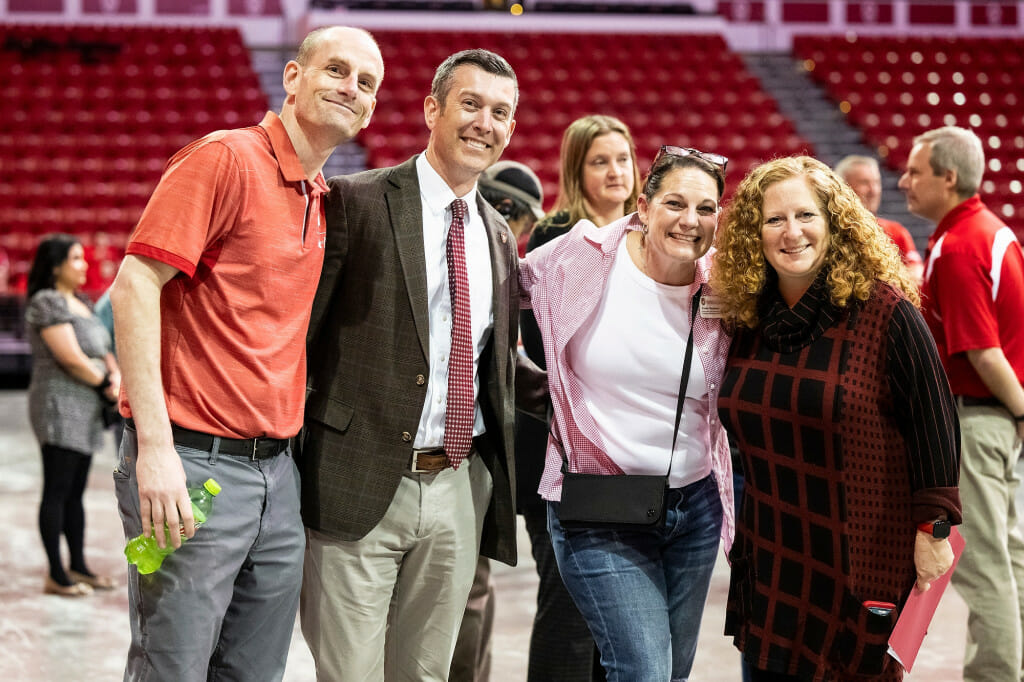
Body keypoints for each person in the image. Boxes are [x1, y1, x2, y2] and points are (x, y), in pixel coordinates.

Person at [108, 26, 384, 681]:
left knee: (256, 671)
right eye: (337, 70)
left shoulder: (318, 196)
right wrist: (155, 449)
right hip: (193, 464)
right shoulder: (227, 159)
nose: (352, 88)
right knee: (172, 665)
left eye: (367, 83)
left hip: (277, 475)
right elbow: (134, 286)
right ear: (292, 76)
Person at [299, 49, 525, 681]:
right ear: (432, 109)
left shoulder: (498, 235)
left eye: (501, 112)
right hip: (359, 477)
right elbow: (302, 335)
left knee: (425, 675)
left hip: (456, 484)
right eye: (472, 104)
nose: (485, 123)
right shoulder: (357, 201)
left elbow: (495, 366)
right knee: (349, 674)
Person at [712, 155, 963, 681]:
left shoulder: (886, 313)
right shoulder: (748, 318)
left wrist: (935, 530)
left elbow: (933, 424)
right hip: (773, 559)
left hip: (858, 559)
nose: (791, 231)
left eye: (805, 215)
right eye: (773, 219)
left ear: (835, 223)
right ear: (752, 234)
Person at [519, 146, 735, 681]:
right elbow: (502, 291)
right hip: (600, 506)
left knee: (671, 673)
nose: (691, 221)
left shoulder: (726, 287)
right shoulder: (583, 257)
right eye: (676, 203)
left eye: (706, 209)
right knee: (643, 672)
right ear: (644, 205)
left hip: (696, 509)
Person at [898, 126, 1024, 682]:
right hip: (995, 418)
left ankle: (997, 675)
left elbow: (982, 351)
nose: (904, 180)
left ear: (948, 178)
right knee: (1012, 557)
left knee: (984, 566)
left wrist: (1020, 411)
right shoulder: (994, 231)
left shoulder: (958, 244)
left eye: (915, 171)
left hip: (978, 418)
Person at [517, 113, 640, 682]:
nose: (616, 172)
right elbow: (547, 352)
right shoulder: (553, 237)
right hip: (568, 451)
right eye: (600, 161)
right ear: (576, 171)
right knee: (567, 608)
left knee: (622, 617)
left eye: (622, 158)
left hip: (635, 455)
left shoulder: (650, 234)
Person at [450, 159, 546, 682]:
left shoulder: (491, 250)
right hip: (452, 450)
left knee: (468, 591)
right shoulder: (486, 249)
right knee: (466, 591)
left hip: (469, 450)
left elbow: (505, 361)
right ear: (508, 210)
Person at [25, 234, 120, 597]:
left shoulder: (80, 302)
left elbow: (103, 347)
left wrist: (113, 377)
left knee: (75, 492)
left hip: (87, 407)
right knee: (57, 489)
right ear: (55, 265)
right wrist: (107, 384)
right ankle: (56, 574)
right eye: (76, 258)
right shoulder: (47, 302)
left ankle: (78, 567)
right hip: (59, 406)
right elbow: (71, 358)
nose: (84, 265)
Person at [834, 154, 924, 284]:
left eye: (876, 182)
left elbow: (917, 275)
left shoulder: (895, 231)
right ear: (843, 188)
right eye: (864, 182)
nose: (874, 190)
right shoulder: (831, 232)